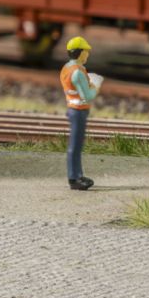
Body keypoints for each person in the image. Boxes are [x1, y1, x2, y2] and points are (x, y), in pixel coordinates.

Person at [59, 36, 98, 191]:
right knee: (75, 146)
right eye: (86, 51)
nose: (88, 54)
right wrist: (95, 84)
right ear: (80, 52)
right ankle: (74, 178)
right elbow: (87, 96)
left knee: (76, 145)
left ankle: (78, 175)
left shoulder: (66, 68)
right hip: (78, 110)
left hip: (73, 108)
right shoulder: (77, 72)